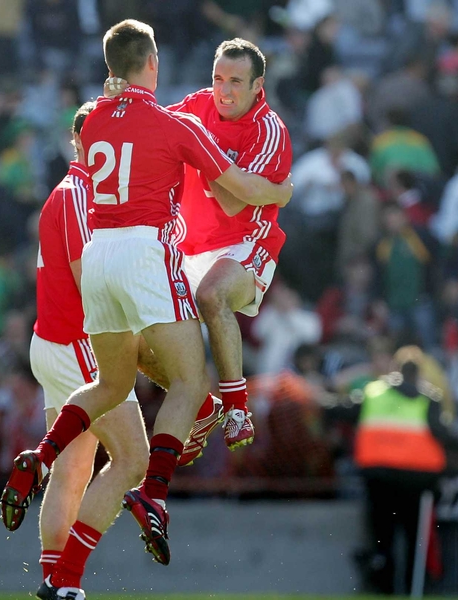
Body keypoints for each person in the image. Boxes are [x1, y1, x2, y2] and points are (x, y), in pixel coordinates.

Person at [0, 17, 290, 583]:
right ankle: (156, 492)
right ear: (152, 64)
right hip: (144, 254)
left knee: (112, 384)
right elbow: (236, 189)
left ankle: (41, 455)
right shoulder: (170, 122)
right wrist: (282, 191)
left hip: (102, 257)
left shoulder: (98, 121)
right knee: (188, 382)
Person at [26, 102, 149, 600]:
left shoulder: (81, 192)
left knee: (73, 468)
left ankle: (54, 583)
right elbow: (88, 280)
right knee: (134, 459)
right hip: (79, 345)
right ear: (81, 140)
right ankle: (70, 578)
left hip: (55, 341)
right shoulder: (80, 194)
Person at [160, 38, 293, 462]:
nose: (224, 90)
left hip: (245, 246)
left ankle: (237, 409)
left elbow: (233, 200)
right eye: (218, 78)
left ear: (258, 85)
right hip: (187, 245)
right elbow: (155, 130)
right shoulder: (196, 105)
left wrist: (196, 144)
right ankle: (203, 403)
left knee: (212, 295)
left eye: (236, 81)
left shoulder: (269, 129)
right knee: (142, 323)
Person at [354, 356, 458, 594]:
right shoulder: (428, 398)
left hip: (379, 478)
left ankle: (383, 588)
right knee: (416, 538)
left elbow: (345, 410)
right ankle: (414, 589)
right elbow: (441, 432)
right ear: (419, 374)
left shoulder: (374, 392)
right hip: (417, 481)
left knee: (383, 539)